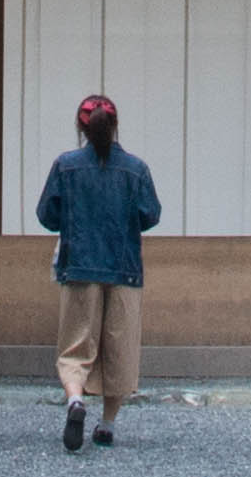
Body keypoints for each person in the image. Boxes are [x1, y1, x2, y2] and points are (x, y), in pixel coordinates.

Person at [33, 89, 162, 451]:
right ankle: (106, 424)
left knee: (76, 345)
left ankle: (76, 400)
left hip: (79, 268)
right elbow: (150, 215)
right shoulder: (136, 169)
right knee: (118, 348)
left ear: (81, 126)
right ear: (115, 126)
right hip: (125, 271)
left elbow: (46, 215)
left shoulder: (66, 164)